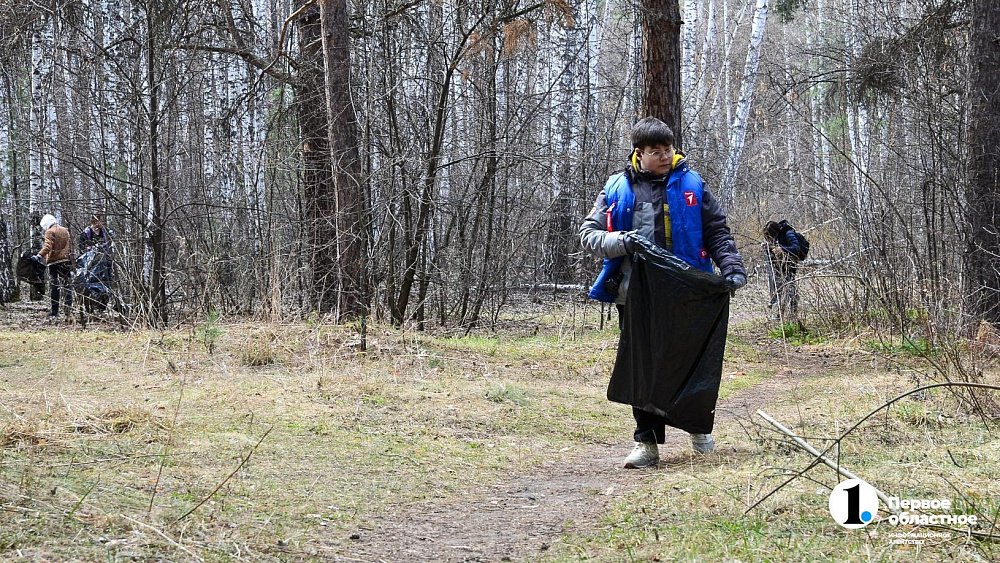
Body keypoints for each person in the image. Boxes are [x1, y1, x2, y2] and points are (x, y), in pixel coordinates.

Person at [580, 117, 747, 468]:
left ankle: (698, 429)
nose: (664, 157)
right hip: (635, 294)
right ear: (639, 153)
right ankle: (647, 444)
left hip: (689, 291)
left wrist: (731, 267)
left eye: (668, 150)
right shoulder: (617, 188)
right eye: (656, 152)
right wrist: (621, 241)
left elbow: (717, 230)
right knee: (642, 366)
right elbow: (590, 235)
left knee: (692, 360)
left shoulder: (693, 184)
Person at [763, 220, 805, 321]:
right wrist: (767, 248)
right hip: (779, 266)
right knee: (779, 289)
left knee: (790, 288)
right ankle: (778, 315)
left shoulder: (788, 233)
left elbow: (796, 248)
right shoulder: (775, 238)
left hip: (790, 265)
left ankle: (793, 314)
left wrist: (781, 249)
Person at [35, 213, 73, 318]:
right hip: (66, 261)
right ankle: (68, 311)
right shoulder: (65, 230)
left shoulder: (50, 232)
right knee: (67, 286)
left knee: (55, 287)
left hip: (54, 262)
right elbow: (70, 247)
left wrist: (39, 255)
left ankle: (55, 312)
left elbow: (48, 246)